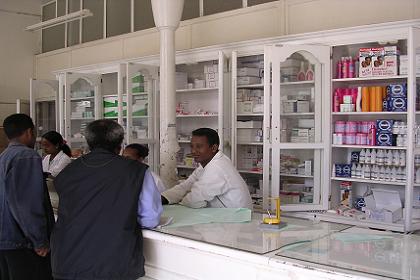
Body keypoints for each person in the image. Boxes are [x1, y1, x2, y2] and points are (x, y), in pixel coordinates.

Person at [51, 119, 162, 280]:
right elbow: (150, 218)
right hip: (113, 263)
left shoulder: (68, 170)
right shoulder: (136, 171)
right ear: (120, 144)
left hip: (67, 259)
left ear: (88, 142)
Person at [0, 113, 54, 280]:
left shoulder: (4, 156)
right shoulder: (26, 156)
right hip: (22, 241)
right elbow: (26, 204)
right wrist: (39, 240)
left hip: (6, 238)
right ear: (29, 132)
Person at [162, 128, 252, 209]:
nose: (193, 151)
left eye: (199, 146)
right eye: (192, 146)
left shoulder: (217, 167)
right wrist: (163, 198)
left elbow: (194, 200)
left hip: (236, 219)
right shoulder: (207, 164)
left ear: (213, 148)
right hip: (224, 215)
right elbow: (186, 186)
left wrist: (178, 205)